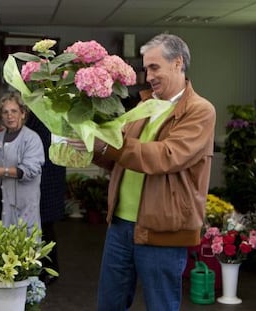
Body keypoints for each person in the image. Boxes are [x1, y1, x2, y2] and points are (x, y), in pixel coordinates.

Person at [67, 33, 216, 310]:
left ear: (178, 63)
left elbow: (166, 157)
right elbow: (118, 158)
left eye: (154, 67)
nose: (148, 76)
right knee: (109, 304)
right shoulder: (145, 106)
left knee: (161, 305)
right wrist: (92, 149)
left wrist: (109, 145)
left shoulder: (200, 111)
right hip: (120, 227)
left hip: (163, 230)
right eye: (146, 68)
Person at [0, 92, 45, 234]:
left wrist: (2, 171)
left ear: (23, 114)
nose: (9, 116)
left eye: (14, 111)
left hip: (23, 209)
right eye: (5, 112)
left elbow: (30, 170)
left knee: (22, 250)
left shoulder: (32, 138)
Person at [26, 112, 66, 284]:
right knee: (46, 225)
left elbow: (29, 135)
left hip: (46, 174)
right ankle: (47, 269)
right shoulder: (53, 113)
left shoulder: (39, 114)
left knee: (44, 226)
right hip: (52, 170)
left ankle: (47, 270)